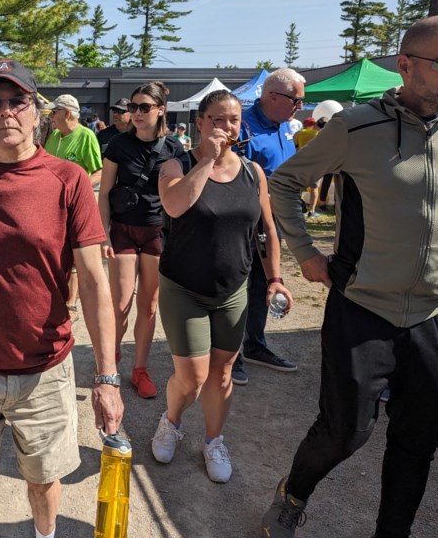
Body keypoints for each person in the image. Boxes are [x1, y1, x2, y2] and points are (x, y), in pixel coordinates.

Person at [259, 16, 438, 538]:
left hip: (436, 314)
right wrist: (305, 252)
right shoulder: (356, 126)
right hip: (363, 306)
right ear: (406, 66)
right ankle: (293, 493)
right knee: (346, 431)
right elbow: (285, 184)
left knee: (420, 438)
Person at [0, 59, 123, 538]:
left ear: (38, 112)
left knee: (43, 483)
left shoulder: (69, 179)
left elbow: (96, 282)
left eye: (18, 102)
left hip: (45, 370)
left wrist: (107, 375)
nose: (6, 113)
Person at [151, 89, 292, 484]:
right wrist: (208, 161)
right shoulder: (175, 165)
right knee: (192, 376)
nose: (226, 127)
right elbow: (175, 205)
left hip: (233, 288)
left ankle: (214, 440)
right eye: (217, 119)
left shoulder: (252, 172)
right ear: (199, 123)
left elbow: (265, 230)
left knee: (223, 373)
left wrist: (276, 278)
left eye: (233, 119)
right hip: (184, 286)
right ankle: (172, 421)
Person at [99, 82, 183, 400]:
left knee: (148, 306)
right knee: (120, 304)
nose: (136, 113)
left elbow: (181, 197)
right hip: (122, 230)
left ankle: (140, 369)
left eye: (144, 107)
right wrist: (102, 234)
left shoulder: (174, 148)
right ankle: (109, 362)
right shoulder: (119, 144)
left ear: (161, 109)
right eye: (133, 107)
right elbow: (105, 192)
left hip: (157, 234)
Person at [231, 67, 305, 386]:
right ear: (273, 97)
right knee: (237, 289)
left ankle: (255, 346)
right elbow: (228, 176)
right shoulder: (241, 126)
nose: (300, 106)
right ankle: (230, 355)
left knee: (265, 282)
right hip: (244, 223)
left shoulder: (286, 127)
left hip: (274, 222)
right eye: (297, 100)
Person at [45, 93, 103, 313]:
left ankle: (71, 303)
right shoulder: (55, 137)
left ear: (67, 113)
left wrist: (77, 189)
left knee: (74, 251)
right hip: (51, 205)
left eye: (54, 112)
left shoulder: (86, 136)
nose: (51, 117)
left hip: (73, 206)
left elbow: (99, 171)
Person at [292, 117, 321, 218]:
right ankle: (312, 211)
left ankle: (297, 208)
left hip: (300, 162)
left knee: (298, 187)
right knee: (314, 187)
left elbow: (294, 146)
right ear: (314, 124)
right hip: (313, 163)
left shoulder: (300, 133)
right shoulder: (317, 134)